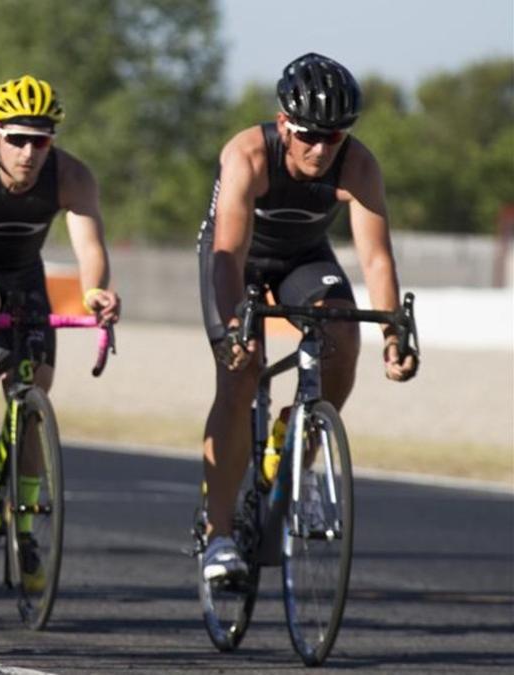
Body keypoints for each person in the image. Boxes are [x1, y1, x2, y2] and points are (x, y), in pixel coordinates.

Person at [198, 53, 419, 581]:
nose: (321, 149)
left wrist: (393, 333)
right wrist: (235, 328)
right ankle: (219, 534)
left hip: (303, 257)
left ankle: (298, 445)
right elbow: (227, 251)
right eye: (308, 135)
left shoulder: (358, 164)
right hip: (237, 259)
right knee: (242, 370)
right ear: (282, 124)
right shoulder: (248, 154)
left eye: (334, 137)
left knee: (343, 331)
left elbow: (376, 258)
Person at [0, 74, 121, 590]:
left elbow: (90, 250)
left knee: (34, 392)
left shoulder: (71, 176)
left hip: (25, 277)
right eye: (18, 138)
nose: (29, 152)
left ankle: (25, 531)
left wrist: (95, 294)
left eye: (40, 140)